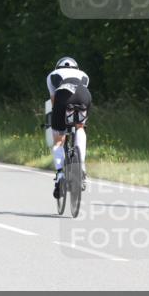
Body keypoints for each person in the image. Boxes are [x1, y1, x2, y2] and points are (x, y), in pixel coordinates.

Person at [47, 57, 91, 198]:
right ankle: (82, 167)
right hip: (84, 95)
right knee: (80, 127)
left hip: (63, 95)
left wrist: (56, 123)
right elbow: (80, 93)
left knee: (59, 139)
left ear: (57, 67)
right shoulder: (84, 75)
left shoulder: (52, 76)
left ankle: (60, 174)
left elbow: (54, 102)